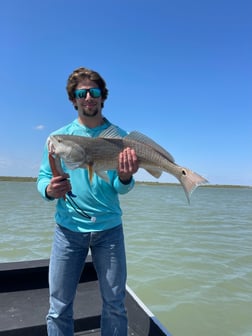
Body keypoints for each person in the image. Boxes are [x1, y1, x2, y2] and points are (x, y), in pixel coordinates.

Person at [37, 66, 139, 336]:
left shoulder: (120, 137)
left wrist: (126, 177)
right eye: (81, 93)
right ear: (74, 100)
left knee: (115, 305)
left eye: (94, 92)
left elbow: (120, 187)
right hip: (68, 231)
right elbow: (43, 178)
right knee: (58, 307)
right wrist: (49, 190)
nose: (88, 97)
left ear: (103, 96)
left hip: (109, 231)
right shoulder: (59, 138)